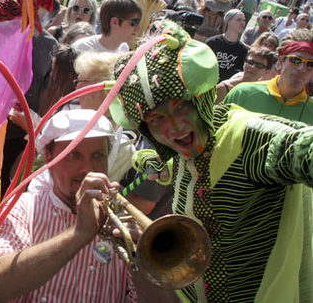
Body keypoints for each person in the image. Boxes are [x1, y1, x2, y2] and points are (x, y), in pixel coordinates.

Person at [112, 20, 313, 302]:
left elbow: (298, 149)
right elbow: (163, 164)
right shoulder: (183, 153)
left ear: (201, 99)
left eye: (181, 106)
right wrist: (145, 162)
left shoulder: (247, 137)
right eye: (156, 118)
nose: (174, 127)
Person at [0, 109, 138, 303]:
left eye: (97, 155)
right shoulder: (23, 207)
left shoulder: (123, 222)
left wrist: (143, 258)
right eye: (74, 154)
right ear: (49, 159)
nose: (87, 168)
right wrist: (79, 234)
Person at [225, 28, 313, 124]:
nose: (302, 68)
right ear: (280, 62)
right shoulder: (242, 93)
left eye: (310, 64)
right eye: (296, 60)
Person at [72, 0, 141, 52]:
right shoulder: (82, 47)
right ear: (114, 22)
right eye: (134, 22)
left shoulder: (123, 48)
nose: (138, 28)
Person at [206, 9, 249, 82]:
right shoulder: (212, 42)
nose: (242, 23)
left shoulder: (243, 50)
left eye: (244, 20)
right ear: (229, 22)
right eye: (239, 20)